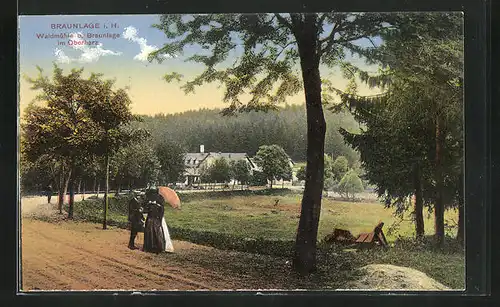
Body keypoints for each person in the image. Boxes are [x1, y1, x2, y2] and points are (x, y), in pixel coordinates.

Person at [142, 189, 174, 253]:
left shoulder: (152, 201)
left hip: (153, 218)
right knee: (156, 232)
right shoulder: (157, 200)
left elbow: (146, 210)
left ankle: (151, 247)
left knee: (152, 232)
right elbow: (161, 211)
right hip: (155, 218)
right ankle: (157, 246)